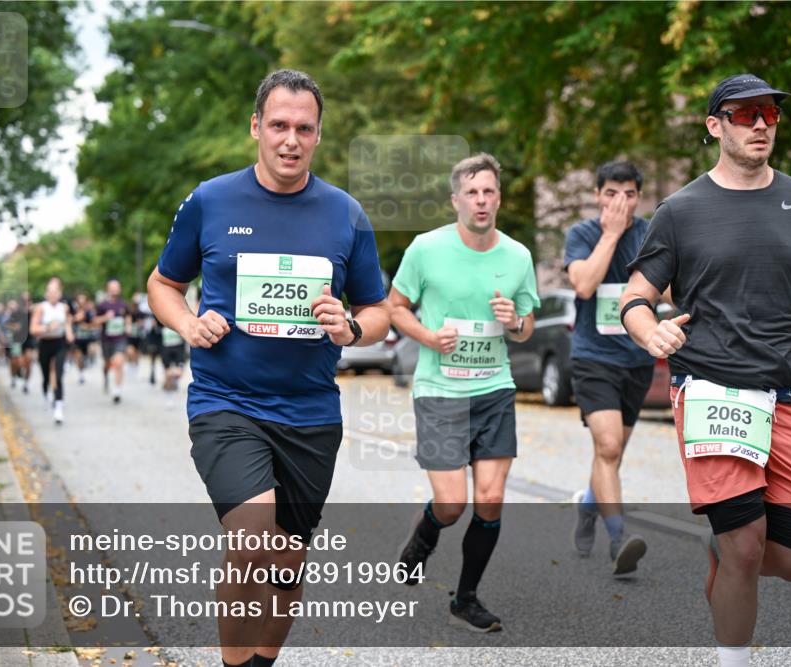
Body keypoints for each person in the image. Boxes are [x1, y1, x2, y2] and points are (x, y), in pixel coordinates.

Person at [147, 69, 390, 667]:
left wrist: (352, 327)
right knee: (252, 539)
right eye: (278, 125)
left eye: (303, 128)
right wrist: (186, 323)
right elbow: (163, 284)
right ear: (256, 126)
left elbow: (379, 309)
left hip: (309, 412)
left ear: (317, 135)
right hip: (226, 402)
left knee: (286, 563)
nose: (290, 139)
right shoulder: (210, 200)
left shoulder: (346, 214)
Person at [620, 74, 791, 667]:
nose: (760, 124)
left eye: (770, 115)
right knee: (747, 549)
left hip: (790, 395)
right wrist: (652, 331)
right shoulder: (681, 210)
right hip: (711, 389)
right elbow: (636, 295)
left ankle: (726, 547)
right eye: (745, 113)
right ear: (715, 125)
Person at [390, 153, 539, 632]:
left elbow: (526, 327)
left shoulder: (517, 256)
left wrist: (514, 321)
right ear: (456, 199)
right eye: (472, 192)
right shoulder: (425, 249)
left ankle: (466, 598)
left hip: (494, 390)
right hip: (439, 391)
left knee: (491, 499)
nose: (481, 200)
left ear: (499, 197)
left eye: (489, 191)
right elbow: (396, 309)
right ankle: (425, 535)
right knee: (452, 504)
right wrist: (429, 338)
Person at [564, 160, 659, 575]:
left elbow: (671, 286)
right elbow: (584, 284)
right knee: (607, 447)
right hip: (593, 358)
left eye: (629, 194)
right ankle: (619, 538)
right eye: (611, 193)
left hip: (637, 359)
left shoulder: (651, 233)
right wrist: (612, 233)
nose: (621, 202)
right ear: (598, 194)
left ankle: (589, 507)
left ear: (639, 197)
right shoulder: (582, 234)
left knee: (612, 453)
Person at [30, 277, 74, 424]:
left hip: (60, 343)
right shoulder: (41, 308)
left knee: (59, 373)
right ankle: (45, 392)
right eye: (50, 292)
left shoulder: (64, 308)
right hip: (45, 343)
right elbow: (33, 329)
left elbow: (67, 322)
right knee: (46, 374)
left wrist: (69, 332)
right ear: (46, 294)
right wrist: (48, 328)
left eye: (56, 292)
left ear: (60, 294)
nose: (53, 295)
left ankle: (58, 407)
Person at [96, 279, 130, 404]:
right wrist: (105, 317)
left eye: (117, 287)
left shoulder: (123, 305)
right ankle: (105, 376)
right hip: (106, 340)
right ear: (108, 289)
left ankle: (117, 389)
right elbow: (94, 321)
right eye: (112, 287)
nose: (115, 290)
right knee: (107, 363)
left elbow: (127, 317)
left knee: (118, 362)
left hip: (120, 338)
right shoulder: (102, 305)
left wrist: (128, 326)